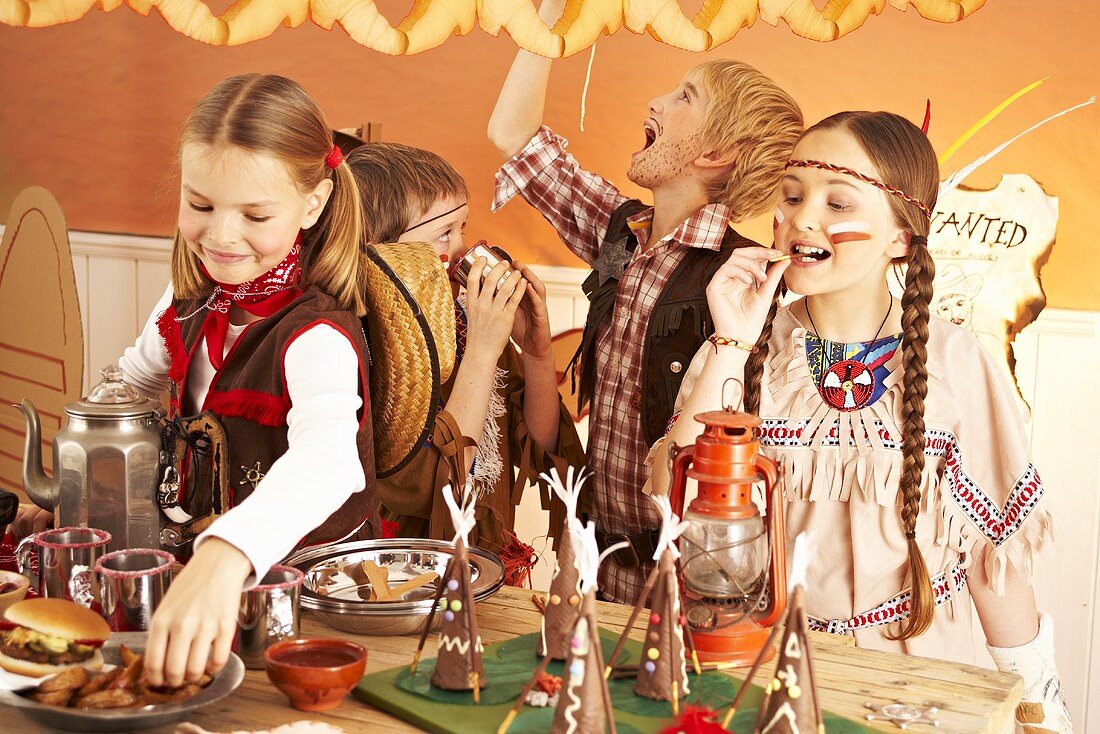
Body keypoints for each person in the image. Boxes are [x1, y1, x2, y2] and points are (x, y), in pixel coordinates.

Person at [651, 110, 1071, 733]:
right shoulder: (746, 349)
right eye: (792, 196)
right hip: (767, 681)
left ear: (901, 237)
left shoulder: (954, 362)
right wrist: (733, 342)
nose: (802, 218)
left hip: (916, 690)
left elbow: (993, 557)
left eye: (836, 202)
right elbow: (668, 498)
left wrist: (1040, 708)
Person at [487, 0, 803, 603]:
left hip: (683, 586)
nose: (655, 102)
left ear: (717, 152)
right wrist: (546, 21)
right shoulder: (619, 232)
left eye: (685, 97)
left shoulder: (739, 284)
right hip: (593, 566)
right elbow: (513, 136)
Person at [114, 73, 376, 687]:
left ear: (312, 205)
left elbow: (329, 461)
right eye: (200, 205)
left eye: (255, 214)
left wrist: (225, 554)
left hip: (309, 617)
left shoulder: (316, 335)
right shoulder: (189, 299)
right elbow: (128, 382)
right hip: (208, 595)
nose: (222, 236)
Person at [346, 142, 585, 562]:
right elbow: (431, 491)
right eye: (443, 233)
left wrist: (536, 350)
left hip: (484, 561)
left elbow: (543, 441)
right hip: (405, 568)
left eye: (462, 227)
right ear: (385, 248)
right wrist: (482, 349)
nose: (461, 248)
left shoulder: (467, 320)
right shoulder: (364, 343)